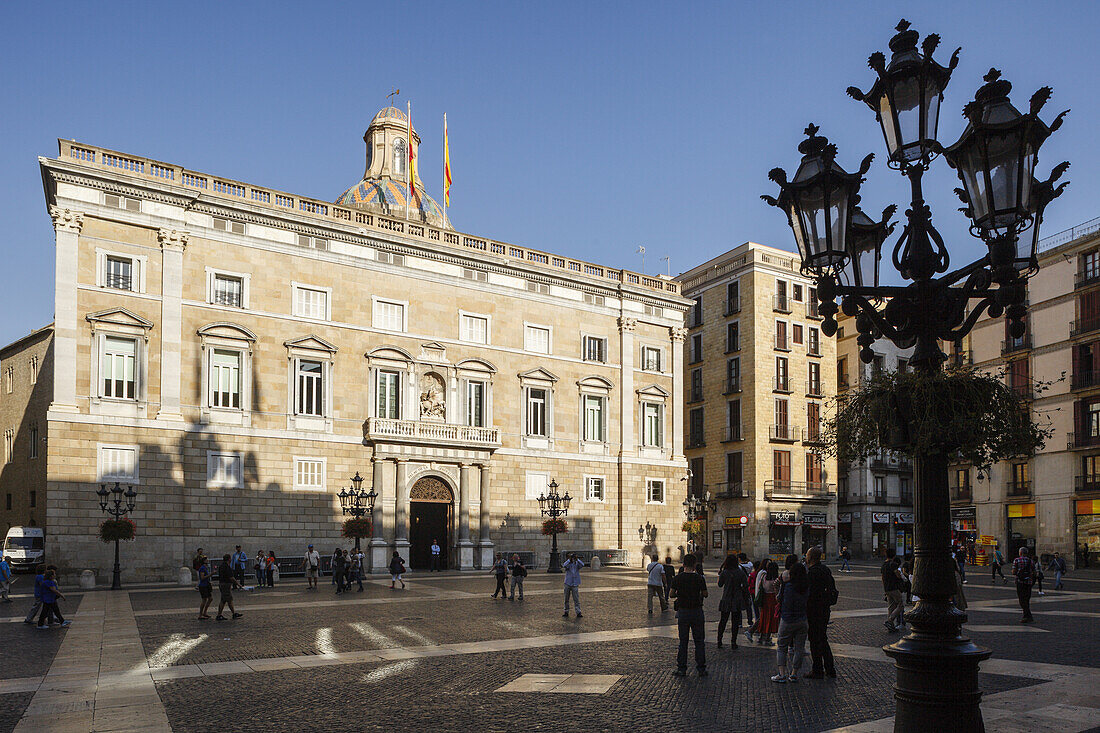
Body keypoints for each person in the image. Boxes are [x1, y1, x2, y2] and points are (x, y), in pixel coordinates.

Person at [669, 553, 708, 677]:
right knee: (699, 641)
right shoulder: (699, 578)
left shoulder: (678, 578)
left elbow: (671, 594)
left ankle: (682, 668)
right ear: (695, 564)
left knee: (683, 641)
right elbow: (705, 593)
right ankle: (701, 668)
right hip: (696, 611)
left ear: (683, 564)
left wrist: (680, 594)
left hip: (683, 611)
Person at [773, 560, 809, 683]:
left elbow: (779, 600)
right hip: (802, 620)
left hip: (787, 619)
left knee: (782, 647)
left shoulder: (788, 586)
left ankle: (782, 674)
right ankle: (794, 673)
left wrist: (778, 587)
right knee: (799, 648)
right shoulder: (806, 587)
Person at [805, 546, 837, 679]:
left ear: (810, 557)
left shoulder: (811, 573)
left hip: (814, 610)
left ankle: (817, 669)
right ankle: (830, 668)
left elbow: (808, 593)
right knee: (823, 638)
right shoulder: (825, 570)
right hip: (824, 609)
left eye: (807, 554)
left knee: (814, 639)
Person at [716, 555, 747, 648]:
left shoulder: (725, 572)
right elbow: (745, 585)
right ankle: (733, 641)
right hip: (737, 599)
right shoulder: (740, 573)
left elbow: (720, 584)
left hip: (726, 598)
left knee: (723, 621)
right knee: (735, 622)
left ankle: (719, 640)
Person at [756, 560, 780, 645]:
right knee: (770, 619)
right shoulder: (775, 580)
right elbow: (777, 592)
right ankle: (767, 639)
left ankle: (761, 637)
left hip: (765, 599)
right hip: (772, 599)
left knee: (764, 618)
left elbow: (759, 587)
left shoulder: (764, 577)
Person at [881, 548, 905, 632]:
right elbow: (898, 575)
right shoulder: (893, 564)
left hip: (887, 588)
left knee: (891, 606)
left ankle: (891, 625)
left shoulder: (884, 565)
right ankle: (890, 620)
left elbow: (882, 577)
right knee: (900, 604)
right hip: (894, 587)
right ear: (894, 555)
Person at [215, 554, 243, 620]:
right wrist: (238, 584)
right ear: (229, 559)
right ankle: (223, 614)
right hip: (225, 585)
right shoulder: (227, 567)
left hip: (222, 584)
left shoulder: (222, 566)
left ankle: (230, 614)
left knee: (225, 600)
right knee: (227, 600)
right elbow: (231, 577)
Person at [1012, 546, 1035, 623]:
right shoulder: (1031, 561)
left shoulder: (1017, 560)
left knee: (1022, 600)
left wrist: (1019, 573)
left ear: (1020, 553)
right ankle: (1027, 616)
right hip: (1028, 582)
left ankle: (1027, 616)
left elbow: (1013, 572)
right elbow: (1034, 572)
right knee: (1027, 599)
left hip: (1020, 582)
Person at [562, 553, 584, 618]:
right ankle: (566, 611)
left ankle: (578, 612)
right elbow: (564, 565)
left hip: (575, 583)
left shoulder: (577, 564)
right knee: (566, 598)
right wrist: (569, 560)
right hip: (568, 583)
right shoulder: (568, 563)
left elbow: (582, 564)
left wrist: (577, 559)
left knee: (576, 599)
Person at [738, 553, 755, 629]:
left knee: (739, 605)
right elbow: (750, 562)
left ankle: (739, 623)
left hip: (741, 586)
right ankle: (750, 621)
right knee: (748, 605)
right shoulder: (750, 565)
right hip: (747, 586)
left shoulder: (739, 567)